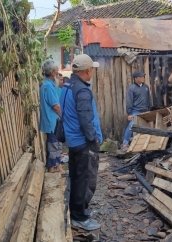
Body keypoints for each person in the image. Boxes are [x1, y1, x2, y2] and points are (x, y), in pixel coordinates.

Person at [60, 54, 102, 231]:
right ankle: (79, 218)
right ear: (87, 70)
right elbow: (85, 119)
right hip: (83, 142)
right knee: (85, 180)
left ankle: (77, 210)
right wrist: (93, 139)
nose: (92, 71)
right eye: (92, 68)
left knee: (76, 178)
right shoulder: (82, 90)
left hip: (72, 140)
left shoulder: (68, 85)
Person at [39, 60, 66, 174]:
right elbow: (55, 106)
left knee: (56, 144)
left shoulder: (47, 85)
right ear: (51, 72)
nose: (57, 72)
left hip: (52, 121)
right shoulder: (48, 86)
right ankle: (51, 168)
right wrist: (64, 116)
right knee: (53, 145)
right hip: (52, 121)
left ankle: (57, 166)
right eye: (56, 71)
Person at [121, 71, 151, 152]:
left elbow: (148, 98)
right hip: (135, 111)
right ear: (136, 78)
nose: (143, 78)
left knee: (146, 127)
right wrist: (129, 113)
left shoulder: (146, 87)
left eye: (143, 76)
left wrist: (149, 108)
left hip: (145, 110)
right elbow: (129, 101)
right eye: (141, 77)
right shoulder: (131, 88)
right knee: (131, 126)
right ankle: (125, 143)